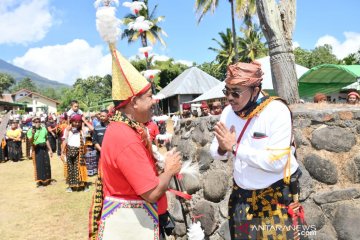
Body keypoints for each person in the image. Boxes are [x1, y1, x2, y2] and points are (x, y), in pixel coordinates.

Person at [89, 43, 181, 240]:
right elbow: (152, 193)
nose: (154, 101)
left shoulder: (124, 129)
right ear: (133, 102)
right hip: (137, 225)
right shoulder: (126, 137)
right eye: (149, 97)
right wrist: (170, 170)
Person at [210, 61, 306, 239]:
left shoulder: (277, 111)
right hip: (242, 198)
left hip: (275, 199)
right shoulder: (228, 112)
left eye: (236, 92)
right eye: (227, 91)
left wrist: (234, 147)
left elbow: (277, 162)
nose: (230, 98)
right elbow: (215, 151)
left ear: (255, 89)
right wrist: (224, 148)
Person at [61, 114, 88, 192]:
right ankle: (71, 186)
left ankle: (83, 186)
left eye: (78, 122)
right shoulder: (67, 130)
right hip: (69, 150)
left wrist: (84, 121)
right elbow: (64, 140)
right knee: (70, 168)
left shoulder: (83, 130)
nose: (77, 124)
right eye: (75, 122)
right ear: (71, 122)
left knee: (80, 168)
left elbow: (92, 129)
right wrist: (62, 152)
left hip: (80, 152)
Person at [27, 117, 53, 188]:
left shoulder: (44, 129)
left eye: (38, 121)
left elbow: (46, 139)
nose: (37, 123)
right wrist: (32, 134)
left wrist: (50, 149)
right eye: (35, 122)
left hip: (44, 148)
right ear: (33, 123)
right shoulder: (30, 131)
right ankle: (40, 182)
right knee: (39, 165)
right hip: (36, 149)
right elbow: (30, 141)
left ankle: (48, 180)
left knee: (47, 164)